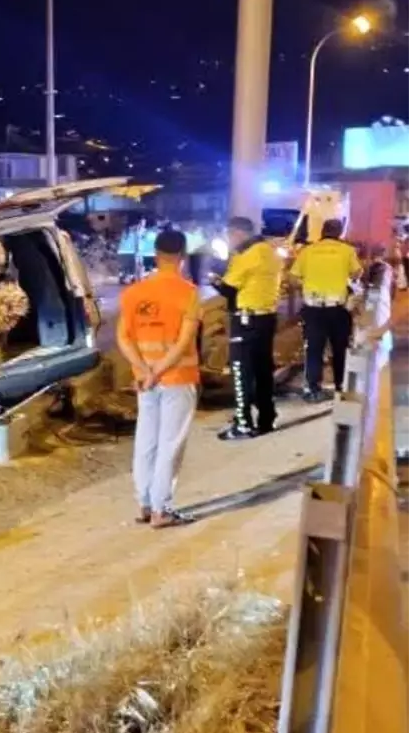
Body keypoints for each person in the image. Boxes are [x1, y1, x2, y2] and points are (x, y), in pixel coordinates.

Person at [117, 228, 202, 529]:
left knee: (146, 440)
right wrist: (160, 371)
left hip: (145, 381)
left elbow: (123, 339)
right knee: (170, 443)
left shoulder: (133, 293)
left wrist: (144, 370)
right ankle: (161, 509)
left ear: (156, 254)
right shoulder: (189, 293)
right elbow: (183, 343)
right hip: (176, 378)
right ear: (181, 256)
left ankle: (143, 503)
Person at [215, 215, 282, 440]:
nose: (229, 239)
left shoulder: (247, 256)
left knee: (241, 372)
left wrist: (215, 280)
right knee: (263, 372)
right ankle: (266, 419)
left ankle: (243, 424)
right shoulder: (269, 252)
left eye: (229, 234)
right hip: (267, 318)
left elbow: (228, 288)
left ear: (238, 233)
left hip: (246, 321)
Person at [289, 218, 361, 402]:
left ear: (322, 231)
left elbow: (293, 278)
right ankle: (340, 386)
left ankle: (313, 389)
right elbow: (356, 273)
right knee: (340, 348)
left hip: (313, 309)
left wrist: (308, 285)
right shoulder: (347, 251)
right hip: (338, 309)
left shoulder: (308, 251)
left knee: (313, 349)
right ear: (339, 232)